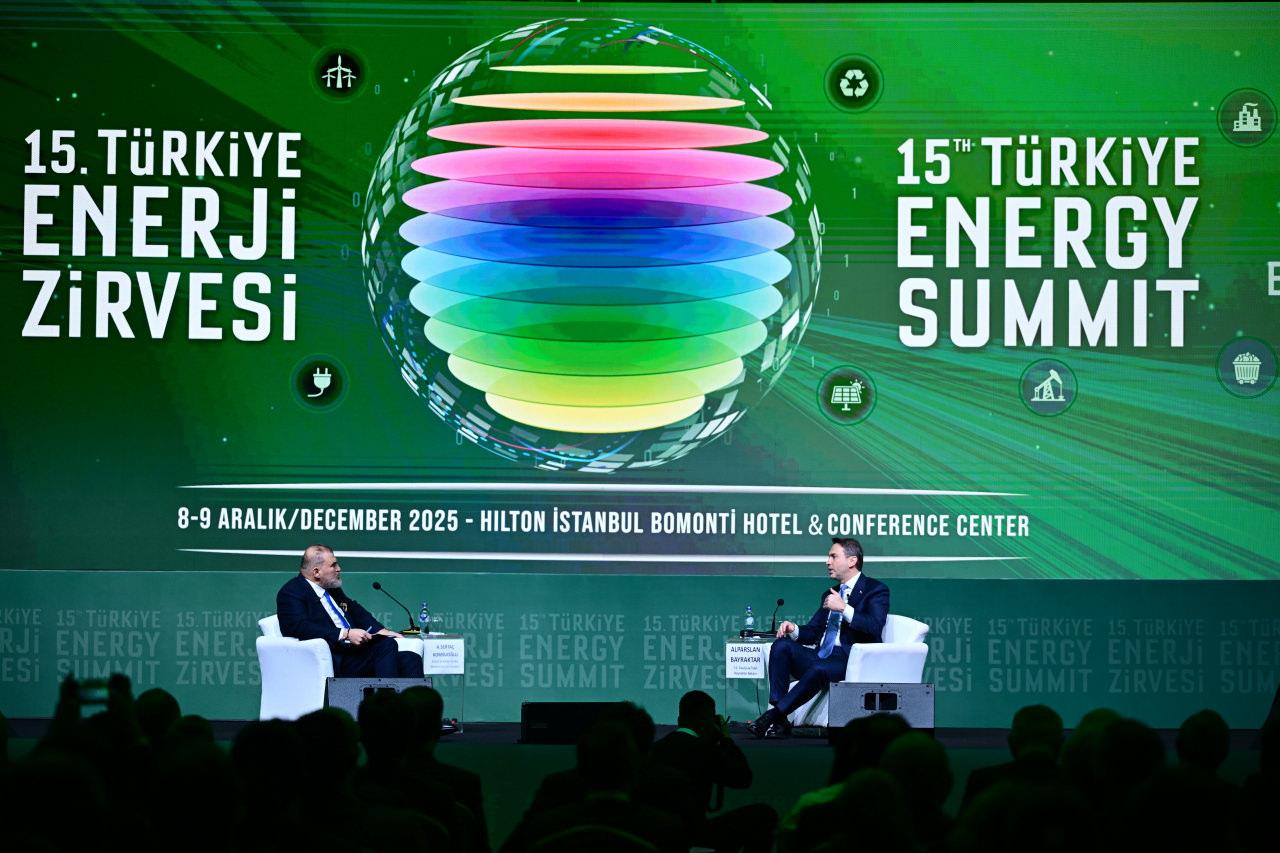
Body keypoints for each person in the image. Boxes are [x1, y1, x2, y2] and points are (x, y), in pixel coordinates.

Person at [746, 537, 889, 739]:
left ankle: (772, 716)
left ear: (852, 561)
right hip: (822, 655)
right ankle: (780, 718)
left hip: (849, 658)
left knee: (819, 668)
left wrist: (844, 608)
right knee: (782, 646)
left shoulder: (875, 590)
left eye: (833, 556)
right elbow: (814, 632)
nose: (827, 562)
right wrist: (794, 629)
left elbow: (874, 625)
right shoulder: (830, 593)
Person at [651, 690, 777, 853]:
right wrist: (726, 739)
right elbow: (743, 778)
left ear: (680, 719)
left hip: (658, 834)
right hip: (694, 832)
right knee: (763, 814)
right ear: (708, 722)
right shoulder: (704, 751)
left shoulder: (655, 749)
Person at [276, 544, 422, 677]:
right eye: (333, 565)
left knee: (411, 658)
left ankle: (411, 699)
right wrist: (345, 633)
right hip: (333, 658)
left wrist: (381, 630)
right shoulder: (291, 592)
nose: (339, 568)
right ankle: (385, 698)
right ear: (316, 572)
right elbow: (298, 627)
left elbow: (354, 609)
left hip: (353, 652)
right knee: (386, 645)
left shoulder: (332, 589)